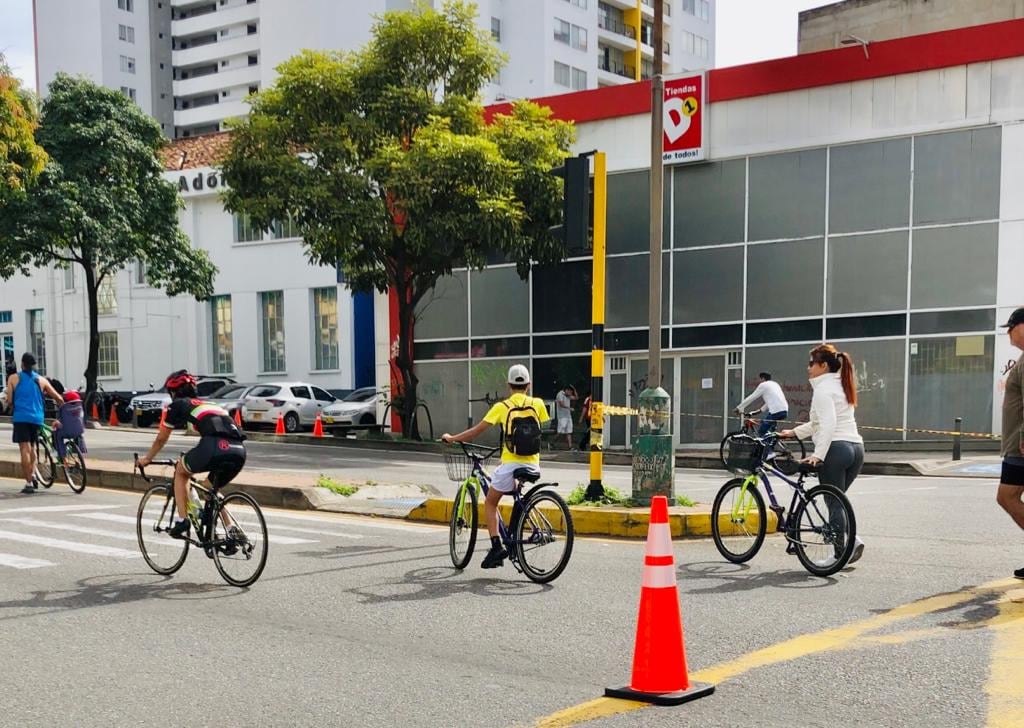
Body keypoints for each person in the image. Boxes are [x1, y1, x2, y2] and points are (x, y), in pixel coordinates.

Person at [441, 364, 549, 569]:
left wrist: (452, 438)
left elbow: (476, 431)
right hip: (534, 464)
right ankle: (515, 532)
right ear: (529, 385)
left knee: (491, 503)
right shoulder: (538, 404)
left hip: (510, 465)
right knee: (514, 494)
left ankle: (496, 547)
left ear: (508, 385)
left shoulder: (502, 407)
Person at [780, 344, 865, 564]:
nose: (807, 367)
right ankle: (850, 543)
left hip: (836, 450)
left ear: (823, 365)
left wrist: (818, 455)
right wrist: (794, 432)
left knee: (834, 503)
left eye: (811, 363)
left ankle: (839, 556)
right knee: (838, 500)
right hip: (855, 448)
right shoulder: (842, 386)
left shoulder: (822, 390)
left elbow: (828, 424)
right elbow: (819, 423)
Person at [137, 370, 247, 539]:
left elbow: (161, 439)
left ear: (173, 392)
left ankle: (182, 520)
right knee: (210, 488)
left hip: (214, 446)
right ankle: (231, 529)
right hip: (238, 451)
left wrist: (147, 459)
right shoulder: (211, 405)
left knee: (181, 471)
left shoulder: (178, 404)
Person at [5, 353, 64, 493]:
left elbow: (9, 400)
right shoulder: (41, 380)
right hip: (37, 418)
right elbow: (57, 397)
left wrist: (13, 405)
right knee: (33, 446)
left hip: (21, 417)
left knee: (24, 448)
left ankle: (29, 482)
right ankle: (33, 474)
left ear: (22, 364)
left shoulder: (13, 378)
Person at [994, 308, 1024, 579]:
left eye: (1011, 327)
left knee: (1007, 496)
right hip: (1018, 444)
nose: (1008, 333)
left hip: (1021, 447)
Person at [735, 371, 789, 437]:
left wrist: (739, 407)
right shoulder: (775, 384)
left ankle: (766, 446)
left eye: (759, 379)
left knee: (762, 431)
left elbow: (752, 397)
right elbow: (771, 401)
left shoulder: (763, 385)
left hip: (775, 412)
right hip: (784, 411)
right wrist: (758, 411)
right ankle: (770, 444)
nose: (759, 381)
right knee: (769, 433)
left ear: (763, 378)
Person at [52, 390, 87, 463]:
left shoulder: (63, 408)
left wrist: (55, 423)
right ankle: (82, 452)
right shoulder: (80, 406)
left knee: (56, 435)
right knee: (79, 435)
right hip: (79, 430)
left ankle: (62, 456)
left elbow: (59, 420)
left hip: (66, 431)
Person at [555, 384, 577, 450]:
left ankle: (570, 447)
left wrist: (574, 389)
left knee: (569, 431)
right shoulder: (560, 394)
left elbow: (576, 398)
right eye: (570, 392)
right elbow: (561, 404)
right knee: (560, 432)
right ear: (567, 390)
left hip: (568, 416)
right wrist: (569, 408)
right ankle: (552, 442)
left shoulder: (568, 396)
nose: (571, 394)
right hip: (562, 416)